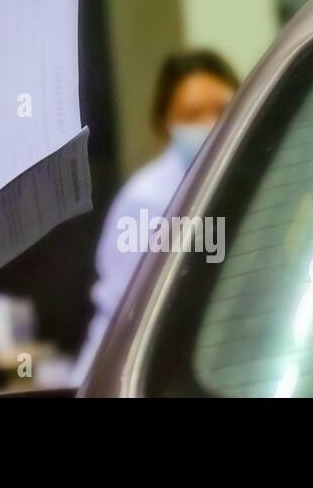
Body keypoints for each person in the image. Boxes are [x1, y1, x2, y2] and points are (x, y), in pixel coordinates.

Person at [69, 49, 238, 386]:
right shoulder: (146, 200)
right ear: (165, 123)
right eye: (192, 115)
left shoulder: (246, 179)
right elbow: (122, 310)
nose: (209, 123)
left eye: (221, 110)